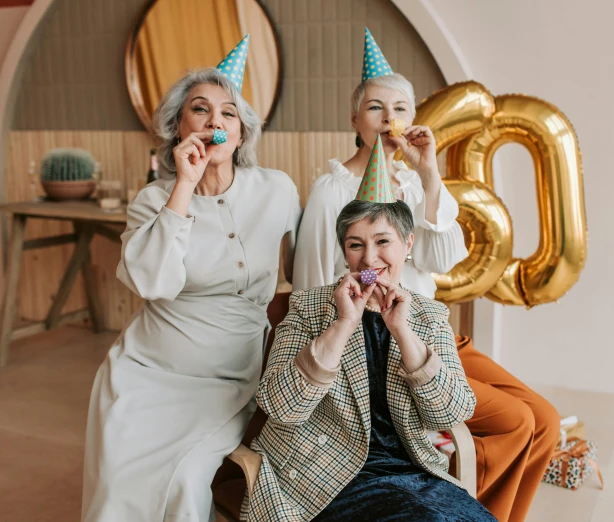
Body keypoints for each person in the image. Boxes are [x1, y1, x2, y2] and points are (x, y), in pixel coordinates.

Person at [292, 28, 559, 522]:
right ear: (355, 119)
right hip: (374, 343)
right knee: (515, 421)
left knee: (543, 421)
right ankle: (451, 490)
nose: (388, 117)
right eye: (375, 107)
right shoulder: (333, 189)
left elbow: (443, 260)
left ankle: (484, 510)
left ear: (414, 119)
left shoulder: (419, 183)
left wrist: (430, 174)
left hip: (431, 329)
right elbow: (308, 279)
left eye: (400, 108)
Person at [81, 36, 301, 522]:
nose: (214, 121)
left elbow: (305, 274)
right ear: (177, 128)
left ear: (241, 134)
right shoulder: (152, 200)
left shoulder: (278, 190)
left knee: (185, 477)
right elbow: (152, 283)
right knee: (120, 483)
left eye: (227, 113)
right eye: (199, 110)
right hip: (148, 370)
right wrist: (183, 185)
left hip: (228, 372)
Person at [243, 139, 497, 521]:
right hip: (323, 476)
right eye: (355, 244)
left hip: (410, 473)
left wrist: (404, 334)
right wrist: (344, 324)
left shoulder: (428, 315)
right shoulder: (310, 307)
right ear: (344, 252)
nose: (370, 258)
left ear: (407, 244)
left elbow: (451, 412)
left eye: (383, 242)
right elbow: (280, 407)